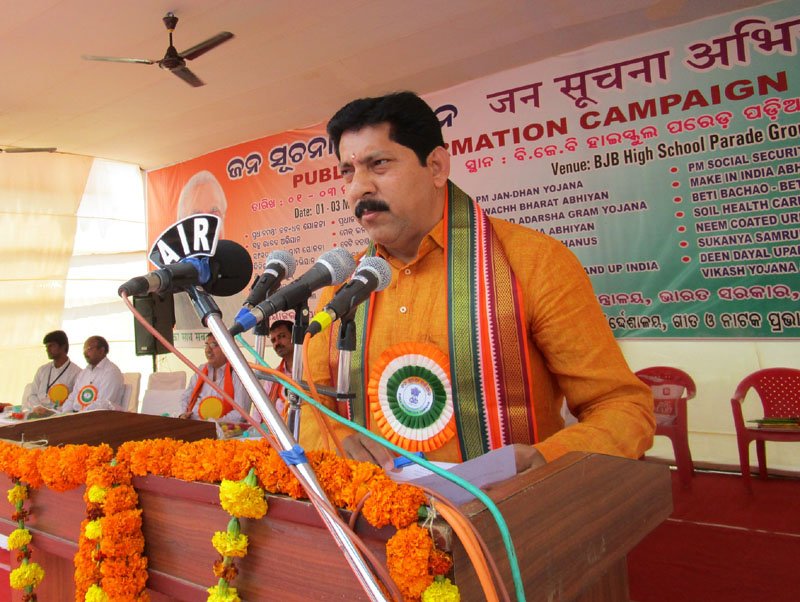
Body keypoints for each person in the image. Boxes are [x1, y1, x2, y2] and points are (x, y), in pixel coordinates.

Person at [303, 91, 655, 471]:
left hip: (509, 515)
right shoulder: (343, 288)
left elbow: (622, 407)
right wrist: (338, 442)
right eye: (347, 172)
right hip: (370, 519)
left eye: (379, 164)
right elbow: (309, 403)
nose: (359, 188)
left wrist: (545, 460)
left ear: (436, 166)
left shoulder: (534, 262)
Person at [179, 333, 252, 423]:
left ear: (227, 348)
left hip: (225, 431)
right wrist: (183, 414)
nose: (208, 350)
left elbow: (241, 413)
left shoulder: (238, 373)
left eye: (214, 345)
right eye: (206, 345)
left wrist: (214, 424)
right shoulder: (201, 370)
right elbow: (186, 397)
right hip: (194, 425)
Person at [60, 336, 125, 412]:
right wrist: (65, 414)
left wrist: (78, 415)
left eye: (89, 349)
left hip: (98, 419)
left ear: (101, 350)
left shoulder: (111, 372)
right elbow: (72, 397)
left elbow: (103, 404)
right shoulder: (84, 373)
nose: (85, 353)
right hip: (78, 417)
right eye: (84, 349)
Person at [24, 330, 82, 409]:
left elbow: (75, 399)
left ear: (63, 346)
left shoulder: (77, 372)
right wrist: (38, 407)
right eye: (46, 346)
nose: (47, 349)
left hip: (60, 415)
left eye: (51, 345)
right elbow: (32, 394)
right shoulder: (42, 370)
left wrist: (56, 412)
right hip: (38, 412)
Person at [264, 320, 295, 414]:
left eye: (282, 336)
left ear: (295, 337)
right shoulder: (273, 376)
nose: (277, 343)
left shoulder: (312, 369)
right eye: (273, 340)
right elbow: (262, 409)